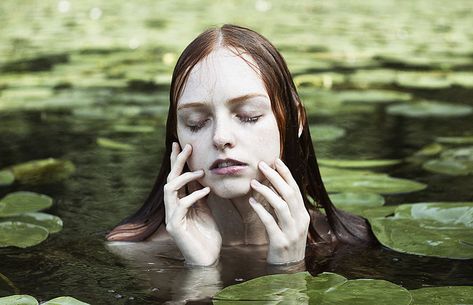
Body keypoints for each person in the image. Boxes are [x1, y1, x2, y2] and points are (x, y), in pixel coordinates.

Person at [106, 24, 376, 266]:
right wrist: (200, 273)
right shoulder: (134, 249)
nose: (221, 137)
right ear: (176, 135)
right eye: (196, 122)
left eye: (249, 116)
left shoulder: (353, 240)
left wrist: (290, 269)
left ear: (296, 119)